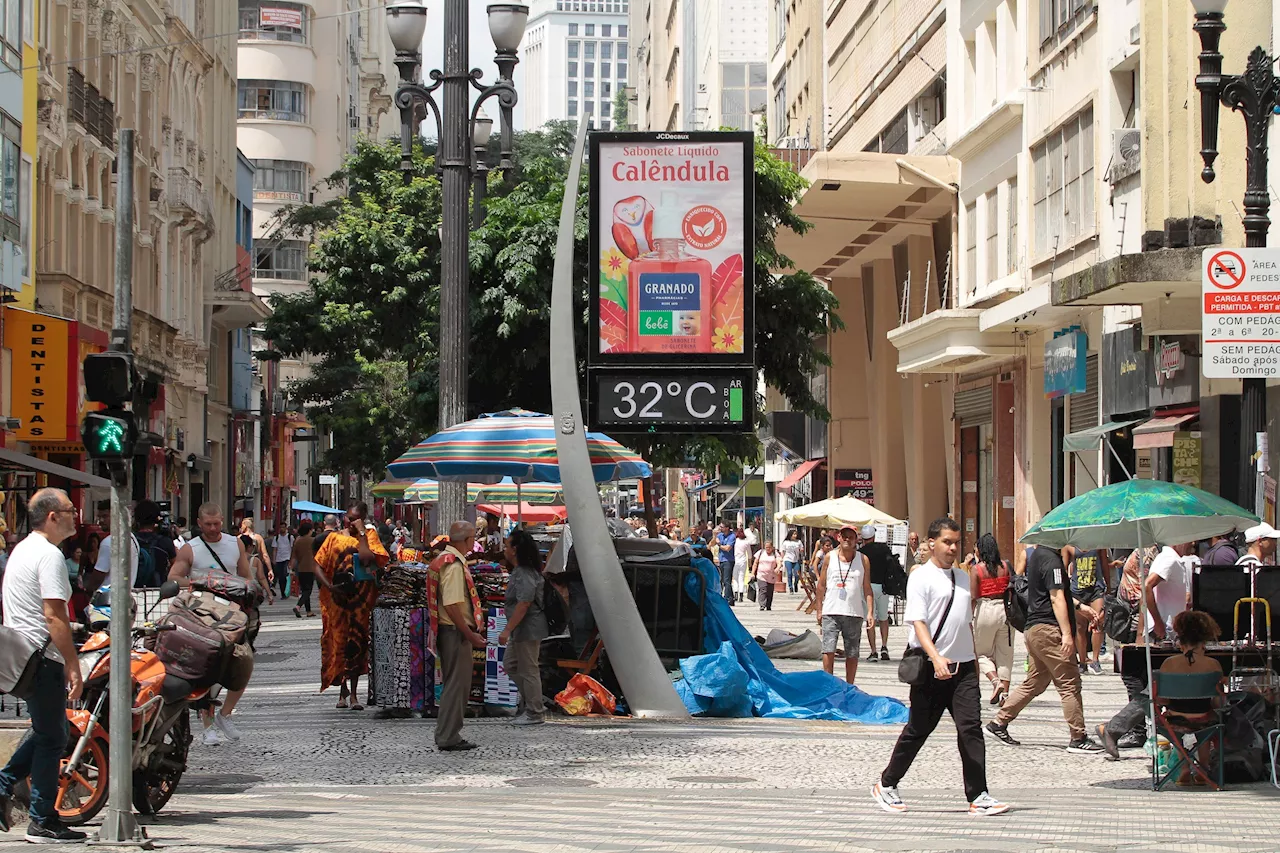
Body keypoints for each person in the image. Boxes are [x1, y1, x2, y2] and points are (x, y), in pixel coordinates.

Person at [872, 517, 1008, 817]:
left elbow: (964, 621)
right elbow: (918, 622)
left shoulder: (962, 577)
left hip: (964, 668)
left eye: (957, 542)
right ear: (932, 543)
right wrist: (935, 657)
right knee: (919, 729)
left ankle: (979, 795)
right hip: (930, 666)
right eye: (947, 542)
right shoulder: (921, 577)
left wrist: (978, 661)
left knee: (971, 728)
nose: (953, 548)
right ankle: (887, 783)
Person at [0, 489, 87, 843]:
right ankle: (42, 820)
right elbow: (54, 615)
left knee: (49, 730)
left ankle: (5, 784)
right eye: (69, 510)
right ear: (52, 516)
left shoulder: (22, 549)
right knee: (53, 737)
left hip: (22, 653)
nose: (75, 516)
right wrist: (72, 663)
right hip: (42, 656)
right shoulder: (49, 555)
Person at [986, 545, 1103, 753]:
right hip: (1049, 630)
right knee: (1069, 683)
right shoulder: (1052, 561)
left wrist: (1080, 607)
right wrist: (1067, 634)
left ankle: (998, 723)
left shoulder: (1038, 556)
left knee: (1035, 682)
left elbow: (1052, 593)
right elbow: (1056, 597)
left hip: (1034, 629)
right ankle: (1078, 737)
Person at [168, 502, 258, 746]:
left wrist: (246, 594)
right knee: (204, 668)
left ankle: (225, 714)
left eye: (217, 523)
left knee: (244, 662)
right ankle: (207, 726)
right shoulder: (190, 549)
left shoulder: (234, 543)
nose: (213, 528)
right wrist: (202, 584)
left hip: (232, 615)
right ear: (199, 524)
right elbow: (174, 577)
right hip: (204, 615)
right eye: (208, 524)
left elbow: (246, 577)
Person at [1098, 610, 1224, 764]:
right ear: (1204, 639)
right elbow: (1219, 701)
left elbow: (1162, 700)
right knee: (1206, 719)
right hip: (1205, 720)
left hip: (1174, 721)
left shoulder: (1168, 664)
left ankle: (1183, 767)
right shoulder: (1214, 665)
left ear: (1179, 640)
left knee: (1151, 692)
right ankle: (1203, 767)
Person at [314, 502, 387, 711]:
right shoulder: (333, 538)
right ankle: (342, 691)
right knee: (338, 642)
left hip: (360, 603)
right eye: (348, 517)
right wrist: (328, 586)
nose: (350, 521)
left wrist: (362, 533)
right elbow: (317, 564)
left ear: (363, 517)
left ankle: (354, 694)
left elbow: (367, 558)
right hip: (337, 601)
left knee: (357, 644)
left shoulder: (369, 537)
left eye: (355, 517)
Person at [430, 521, 487, 751]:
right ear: (466, 540)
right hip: (455, 632)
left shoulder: (444, 560)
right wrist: (469, 634)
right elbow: (452, 605)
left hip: (450, 631)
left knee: (454, 684)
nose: (474, 542)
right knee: (457, 686)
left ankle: (446, 732)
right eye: (473, 538)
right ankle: (448, 736)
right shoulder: (453, 565)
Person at [498, 529, 549, 726]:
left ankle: (535, 712)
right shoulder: (520, 571)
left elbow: (524, 603)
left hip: (528, 628)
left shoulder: (525, 573)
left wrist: (507, 629)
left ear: (515, 549)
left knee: (529, 669)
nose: (504, 549)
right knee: (511, 664)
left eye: (507, 545)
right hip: (522, 629)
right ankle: (532, 701)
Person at [815, 526, 874, 684]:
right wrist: (819, 610)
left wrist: (870, 612)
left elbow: (867, 588)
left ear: (856, 540)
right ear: (838, 538)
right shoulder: (829, 557)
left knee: (852, 652)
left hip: (854, 612)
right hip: (831, 610)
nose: (848, 539)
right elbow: (821, 585)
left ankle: (850, 685)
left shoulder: (863, 559)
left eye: (851, 537)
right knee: (828, 649)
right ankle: (829, 683)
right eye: (845, 536)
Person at [969, 533, 1013, 706]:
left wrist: (968, 619)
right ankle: (1005, 694)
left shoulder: (977, 569)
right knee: (1005, 654)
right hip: (1004, 610)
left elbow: (973, 596)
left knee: (981, 653)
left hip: (985, 610)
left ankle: (995, 682)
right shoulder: (1006, 566)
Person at [1065, 545, 1110, 675]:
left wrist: (1109, 584)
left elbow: (1104, 564)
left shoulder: (1099, 543)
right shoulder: (1069, 546)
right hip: (1077, 589)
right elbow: (1063, 566)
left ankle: (1095, 660)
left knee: (1098, 622)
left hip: (1096, 588)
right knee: (1080, 627)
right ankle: (1083, 661)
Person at [858, 524, 895, 662]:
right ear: (873, 536)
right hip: (883, 587)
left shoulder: (861, 552)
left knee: (870, 618)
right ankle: (884, 646)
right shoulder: (884, 548)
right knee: (884, 618)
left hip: (867, 587)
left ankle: (873, 651)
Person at [1146, 543, 1192, 642]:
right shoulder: (1170, 559)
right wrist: (1158, 622)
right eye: (1189, 540)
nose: (1192, 544)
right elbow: (1147, 586)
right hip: (1163, 632)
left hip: (1167, 630)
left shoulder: (1169, 558)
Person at [133, 499, 177, 590]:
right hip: (159, 590)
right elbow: (176, 566)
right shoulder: (165, 541)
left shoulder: (131, 541)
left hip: (134, 589)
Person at [291, 520, 319, 618]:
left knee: (304, 590)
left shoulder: (297, 540)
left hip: (300, 568)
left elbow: (294, 556)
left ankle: (309, 611)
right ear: (309, 530)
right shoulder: (313, 540)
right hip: (310, 568)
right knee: (308, 591)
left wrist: (291, 567)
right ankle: (298, 606)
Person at [239, 518, 274, 592]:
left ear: (245, 526)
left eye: (242, 525)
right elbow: (265, 555)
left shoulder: (238, 538)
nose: (241, 527)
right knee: (258, 581)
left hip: (240, 562)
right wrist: (270, 569)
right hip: (255, 563)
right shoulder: (258, 538)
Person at [751, 541, 781, 611]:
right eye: (766, 547)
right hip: (761, 575)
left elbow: (779, 562)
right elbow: (755, 563)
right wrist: (752, 573)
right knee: (763, 589)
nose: (768, 549)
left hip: (771, 575)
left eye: (769, 547)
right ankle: (762, 605)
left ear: (772, 547)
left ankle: (768, 605)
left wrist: (777, 568)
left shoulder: (775, 553)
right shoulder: (760, 552)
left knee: (770, 591)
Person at [714, 523, 737, 606]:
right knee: (722, 580)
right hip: (721, 560)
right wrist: (714, 536)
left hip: (729, 560)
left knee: (727, 580)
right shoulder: (720, 535)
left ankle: (727, 598)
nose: (720, 528)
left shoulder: (732, 536)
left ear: (727, 528)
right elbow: (712, 544)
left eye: (722, 527)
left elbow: (727, 548)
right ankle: (730, 598)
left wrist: (719, 544)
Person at [271, 523, 294, 599]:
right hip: (279, 559)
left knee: (285, 574)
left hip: (287, 558)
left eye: (283, 527)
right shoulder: (276, 538)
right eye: (280, 527)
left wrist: (291, 560)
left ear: (286, 528)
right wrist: (274, 559)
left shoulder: (290, 537)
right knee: (281, 577)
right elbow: (274, 549)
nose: (282, 529)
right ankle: (283, 593)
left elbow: (292, 549)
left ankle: (286, 591)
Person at [780, 529, 804, 594]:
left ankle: (795, 584)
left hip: (796, 559)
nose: (795, 535)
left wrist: (801, 552)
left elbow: (801, 549)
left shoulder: (798, 542)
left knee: (797, 575)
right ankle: (790, 587)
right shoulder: (786, 542)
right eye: (794, 534)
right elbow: (782, 551)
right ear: (790, 535)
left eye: (796, 534)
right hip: (788, 559)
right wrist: (782, 559)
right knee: (789, 573)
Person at [731, 527, 752, 603]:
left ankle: (735, 594)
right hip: (743, 561)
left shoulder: (735, 541)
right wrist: (750, 565)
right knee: (741, 578)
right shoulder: (746, 542)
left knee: (735, 578)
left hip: (735, 560)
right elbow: (749, 555)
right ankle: (741, 595)